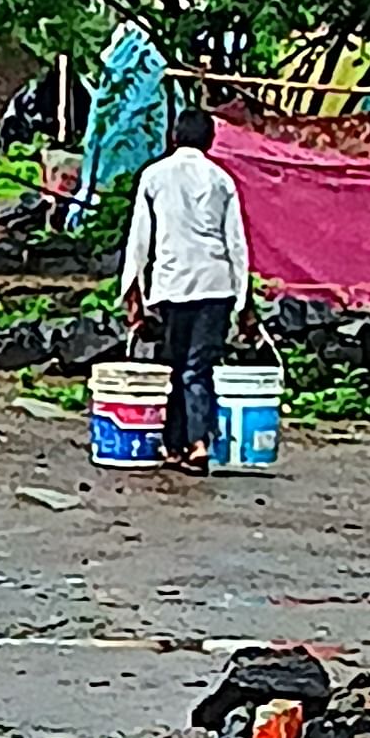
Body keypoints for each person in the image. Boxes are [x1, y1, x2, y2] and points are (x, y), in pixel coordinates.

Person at [112, 115, 248, 472]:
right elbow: (236, 242)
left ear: (173, 136)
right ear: (211, 140)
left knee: (176, 367)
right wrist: (243, 296)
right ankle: (185, 444)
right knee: (197, 368)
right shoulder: (222, 180)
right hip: (216, 285)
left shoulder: (154, 176)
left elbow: (139, 239)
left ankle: (192, 444)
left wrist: (132, 294)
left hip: (172, 285)